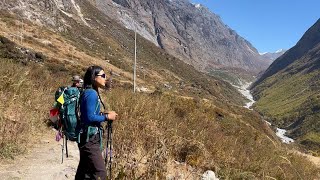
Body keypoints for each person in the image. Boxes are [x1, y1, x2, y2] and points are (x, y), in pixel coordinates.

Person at [75, 65, 118, 180]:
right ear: (94, 77)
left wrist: (103, 114)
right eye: (103, 75)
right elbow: (89, 117)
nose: (105, 78)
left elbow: (88, 114)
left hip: (85, 137)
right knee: (100, 173)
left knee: (84, 171)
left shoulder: (89, 92)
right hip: (90, 140)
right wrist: (107, 117)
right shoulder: (91, 94)